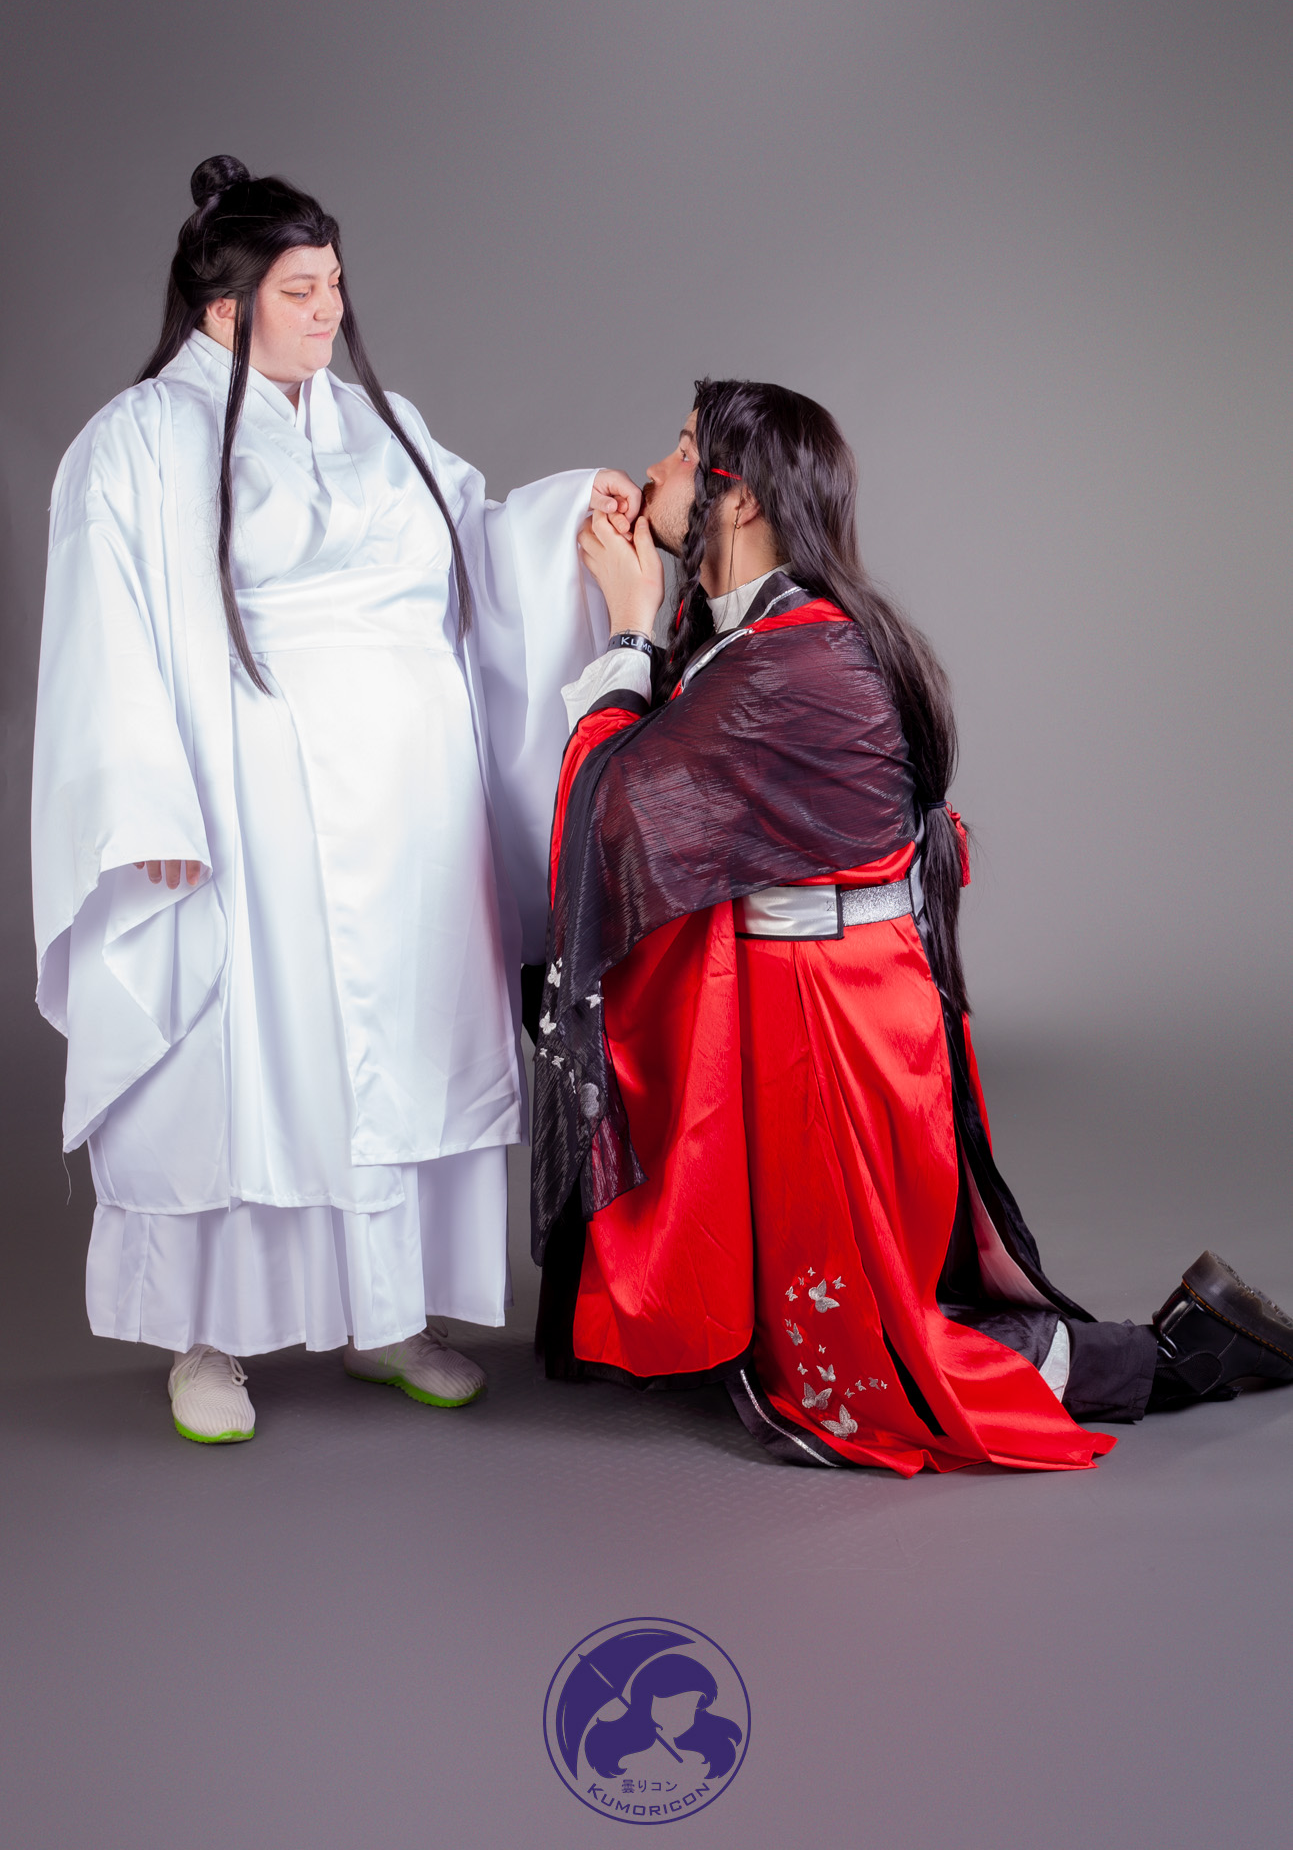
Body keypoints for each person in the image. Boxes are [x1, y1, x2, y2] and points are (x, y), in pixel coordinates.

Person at [529, 377, 1293, 1475]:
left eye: (683, 451)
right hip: (807, 1003)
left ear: (740, 498)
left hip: (828, 1024)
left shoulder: (798, 659)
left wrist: (625, 626)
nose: (657, 469)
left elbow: (614, 813)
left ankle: (1183, 1351)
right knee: (826, 1308)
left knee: (860, 1350)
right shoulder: (760, 639)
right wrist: (644, 615)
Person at [32, 155, 638, 1444]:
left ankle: (387, 1314)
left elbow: (477, 549)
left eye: (335, 283)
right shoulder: (138, 441)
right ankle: (208, 1336)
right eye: (300, 290)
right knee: (250, 1061)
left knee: (405, 1052)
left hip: (413, 814)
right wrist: (146, 808)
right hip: (251, 811)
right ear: (224, 308)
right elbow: (104, 634)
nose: (329, 309)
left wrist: (562, 517)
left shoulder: (382, 423)